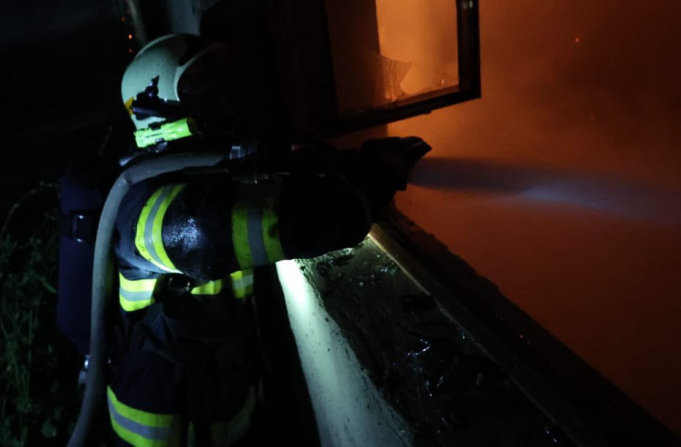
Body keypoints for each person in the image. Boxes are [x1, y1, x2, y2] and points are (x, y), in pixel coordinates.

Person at [58, 33, 430, 446]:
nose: (224, 102)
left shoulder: (206, 178)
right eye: (203, 91)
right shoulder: (141, 202)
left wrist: (334, 162)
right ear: (158, 111)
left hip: (224, 410)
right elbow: (216, 230)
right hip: (158, 427)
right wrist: (369, 185)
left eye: (221, 86)